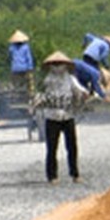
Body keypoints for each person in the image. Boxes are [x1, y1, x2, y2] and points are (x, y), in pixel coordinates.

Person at [32, 51, 89, 184]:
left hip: (67, 115)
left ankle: (75, 174)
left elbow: (78, 90)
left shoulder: (70, 79)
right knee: (52, 148)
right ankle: (52, 176)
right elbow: (39, 95)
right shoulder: (47, 80)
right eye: (55, 64)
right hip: (52, 116)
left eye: (60, 64)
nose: (58, 67)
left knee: (72, 147)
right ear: (51, 66)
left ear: (65, 65)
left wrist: (83, 94)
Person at [7, 29, 35, 94]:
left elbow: (10, 57)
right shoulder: (26, 47)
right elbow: (29, 58)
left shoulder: (11, 47)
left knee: (15, 84)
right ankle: (26, 95)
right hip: (24, 68)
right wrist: (30, 68)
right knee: (26, 83)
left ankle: (16, 95)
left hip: (15, 68)